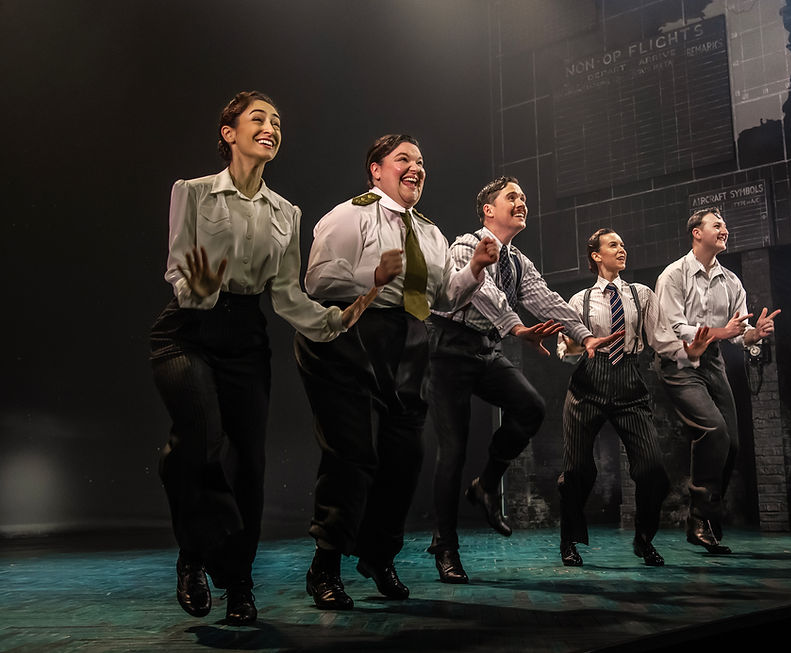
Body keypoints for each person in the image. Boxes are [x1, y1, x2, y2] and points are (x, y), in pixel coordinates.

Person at [150, 91, 376, 626]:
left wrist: (337, 320)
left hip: (246, 335)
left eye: (278, 121)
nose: (271, 127)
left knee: (247, 466)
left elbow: (286, 295)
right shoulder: (194, 193)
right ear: (228, 132)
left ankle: (239, 584)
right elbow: (181, 274)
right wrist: (201, 289)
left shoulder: (286, 212)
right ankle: (193, 557)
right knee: (203, 437)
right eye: (258, 118)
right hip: (187, 329)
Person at [294, 134, 498, 609]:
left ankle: (378, 555)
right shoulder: (350, 215)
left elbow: (444, 298)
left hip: (409, 340)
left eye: (421, 161)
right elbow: (318, 279)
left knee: (405, 456)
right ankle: (324, 565)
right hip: (352, 333)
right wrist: (374, 278)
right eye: (403, 159)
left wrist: (473, 270)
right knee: (352, 452)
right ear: (376, 170)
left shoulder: (430, 231)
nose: (415, 168)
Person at [426, 176, 621, 584]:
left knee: (531, 407)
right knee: (453, 450)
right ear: (488, 210)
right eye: (512, 197)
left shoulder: (517, 260)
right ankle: (445, 547)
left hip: (485, 348)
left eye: (524, 198)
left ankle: (487, 484)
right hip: (448, 349)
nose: (521, 203)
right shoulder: (467, 243)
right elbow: (485, 295)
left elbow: (545, 298)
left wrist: (585, 335)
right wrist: (517, 330)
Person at [556, 229, 713, 567]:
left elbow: (661, 340)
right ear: (596, 255)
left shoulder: (641, 295)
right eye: (613, 245)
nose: (622, 249)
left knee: (653, 471)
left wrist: (689, 351)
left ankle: (644, 539)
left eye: (623, 244)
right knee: (578, 471)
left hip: (629, 383)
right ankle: (568, 540)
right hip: (587, 386)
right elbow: (565, 350)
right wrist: (572, 346)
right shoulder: (578, 301)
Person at [656, 208, 780, 554]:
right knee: (714, 430)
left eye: (725, 223)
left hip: (711, 361)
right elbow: (673, 327)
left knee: (733, 444)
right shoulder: (674, 275)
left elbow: (739, 334)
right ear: (696, 232)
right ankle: (699, 518)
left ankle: (707, 513)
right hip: (678, 359)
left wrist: (754, 335)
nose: (724, 228)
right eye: (717, 224)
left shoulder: (731, 281)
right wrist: (719, 332)